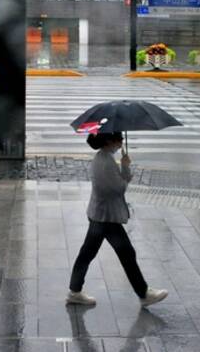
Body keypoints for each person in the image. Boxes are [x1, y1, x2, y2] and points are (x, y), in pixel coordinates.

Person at [67, 132, 168, 308]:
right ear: (108, 141)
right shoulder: (105, 163)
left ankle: (75, 291)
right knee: (126, 253)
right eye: (118, 139)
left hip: (100, 215)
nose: (121, 142)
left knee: (89, 253)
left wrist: (122, 167)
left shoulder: (103, 157)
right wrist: (125, 167)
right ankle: (143, 293)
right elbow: (118, 189)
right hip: (106, 217)